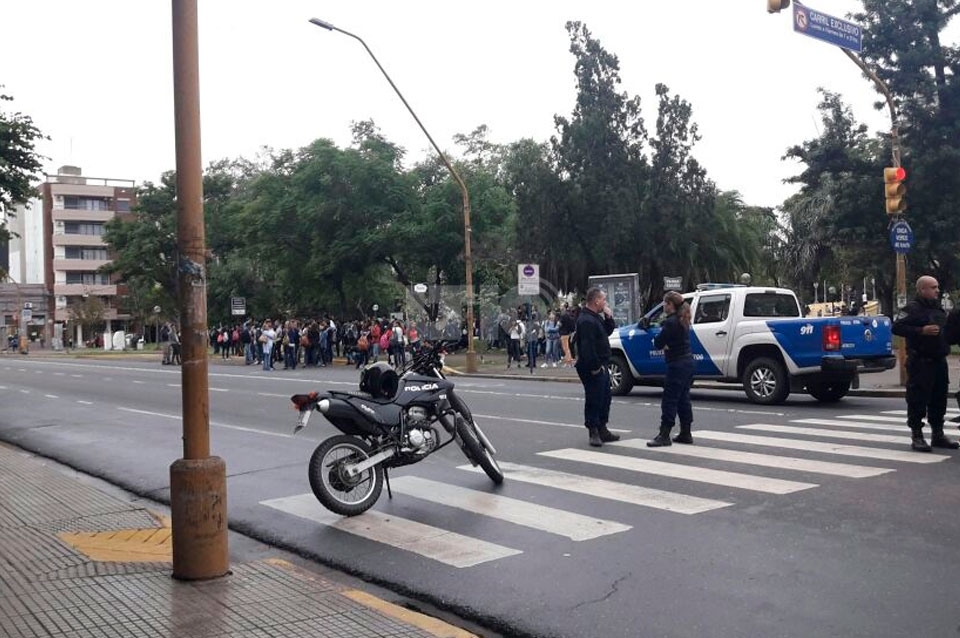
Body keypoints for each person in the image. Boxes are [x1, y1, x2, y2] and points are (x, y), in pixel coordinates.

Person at [892, 275, 960, 451]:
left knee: (939, 399)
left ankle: (938, 434)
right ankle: (917, 435)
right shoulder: (912, 308)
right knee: (918, 399)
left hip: (939, 361)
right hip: (921, 361)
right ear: (922, 289)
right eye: (933, 287)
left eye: (937, 287)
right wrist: (921, 330)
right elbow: (897, 327)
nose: (937, 290)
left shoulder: (938, 308)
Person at [647, 291, 695, 447]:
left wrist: (657, 341)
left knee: (669, 400)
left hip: (676, 364)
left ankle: (664, 434)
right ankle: (686, 432)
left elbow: (659, 343)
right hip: (687, 362)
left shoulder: (670, 322)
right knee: (683, 399)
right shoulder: (683, 319)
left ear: (670, 305)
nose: (663, 307)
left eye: (665, 304)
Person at [575, 287, 619, 447]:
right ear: (596, 300)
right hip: (592, 366)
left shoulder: (595, 317)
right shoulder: (586, 320)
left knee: (605, 397)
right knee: (594, 398)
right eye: (603, 300)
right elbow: (587, 347)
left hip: (602, 363)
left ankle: (602, 428)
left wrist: (609, 317)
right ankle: (593, 430)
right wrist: (595, 367)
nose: (605, 303)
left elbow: (606, 331)